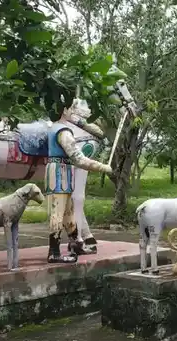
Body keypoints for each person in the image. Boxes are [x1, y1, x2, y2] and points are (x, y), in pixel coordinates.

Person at [46, 98, 113, 263]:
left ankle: (76, 243)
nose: (73, 112)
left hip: (61, 171)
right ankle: (53, 252)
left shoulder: (54, 128)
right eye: (70, 109)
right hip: (60, 172)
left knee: (68, 213)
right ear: (64, 111)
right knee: (58, 213)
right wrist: (103, 167)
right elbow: (79, 159)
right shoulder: (64, 131)